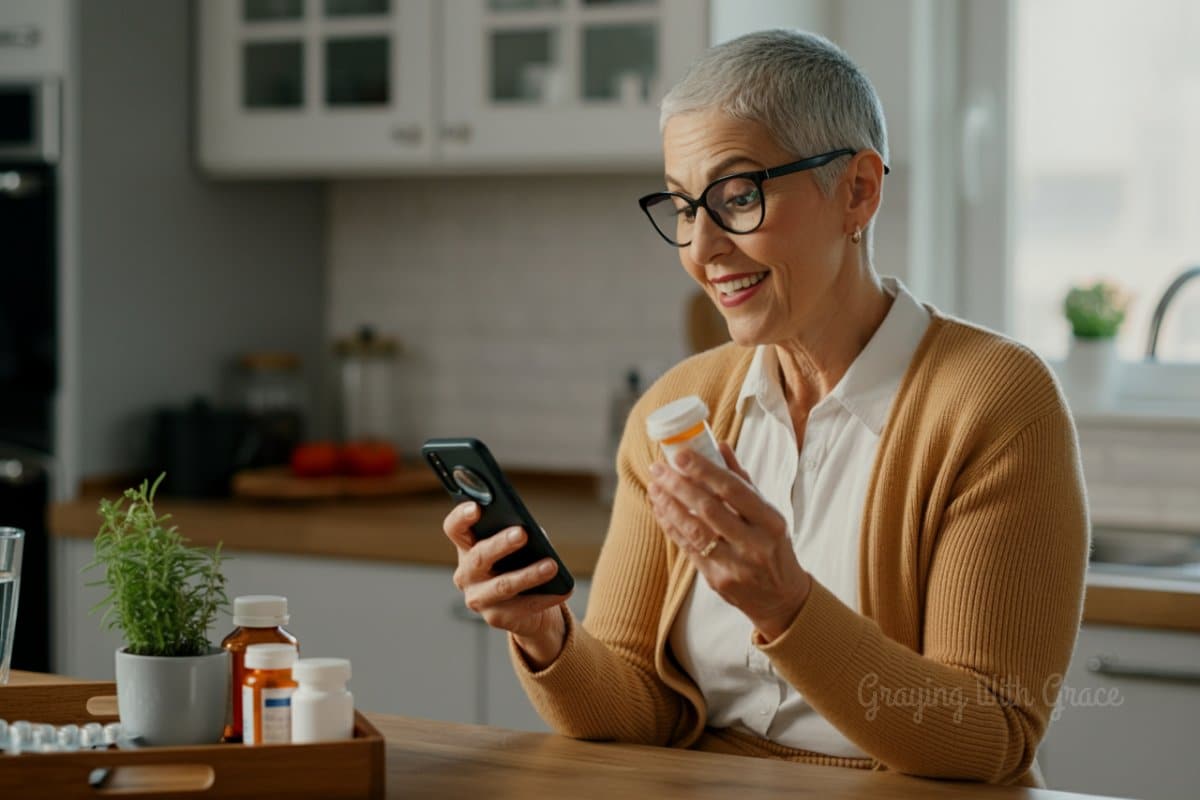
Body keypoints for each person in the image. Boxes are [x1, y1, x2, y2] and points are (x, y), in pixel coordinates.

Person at [440, 29, 1087, 787]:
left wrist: (788, 609)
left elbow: (991, 737)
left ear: (859, 191)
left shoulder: (995, 402)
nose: (700, 247)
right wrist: (548, 636)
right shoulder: (679, 408)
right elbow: (640, 711)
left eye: (738, 196)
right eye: (684, 207)